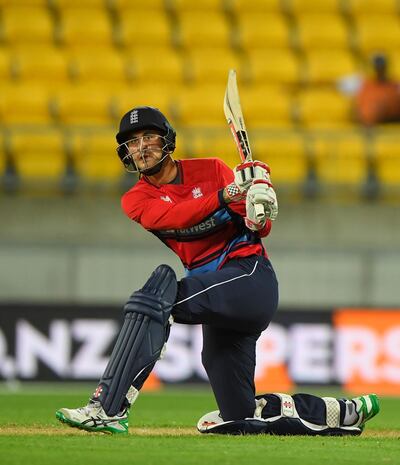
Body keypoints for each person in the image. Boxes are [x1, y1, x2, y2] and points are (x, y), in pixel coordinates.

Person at [56, 106, 379, 435]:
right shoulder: (136, 199)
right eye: (132, 142)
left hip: (249, 277)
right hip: (214, 294)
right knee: (239, 414)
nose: (141, 147)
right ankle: (339, 411)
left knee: (153, 298)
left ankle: (108, 408)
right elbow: (178, 216)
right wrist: (227, 195)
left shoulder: (212, 169)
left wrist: (257, 206)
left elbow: (258, 227)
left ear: (167, 139)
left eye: (149, 137)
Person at [354, 53, 400, 126]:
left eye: (382, 67)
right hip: (371, 126)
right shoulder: (364, 85)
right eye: (377, 68)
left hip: (392, 124)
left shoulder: (395, 86)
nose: (379, 71)